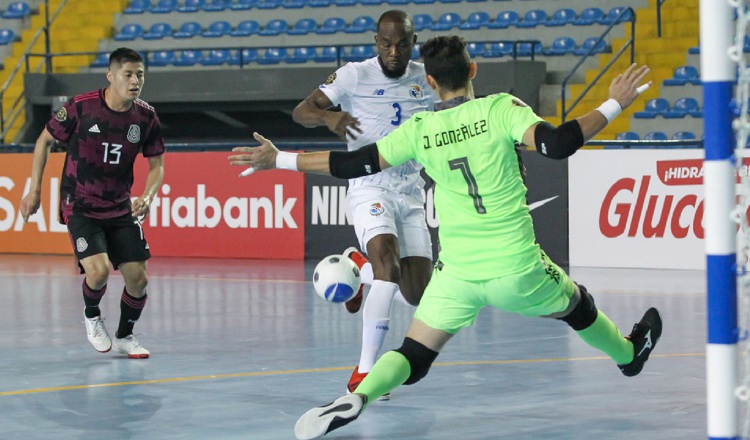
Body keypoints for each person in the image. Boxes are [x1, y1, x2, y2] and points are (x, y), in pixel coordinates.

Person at [229, 36, 661, 440]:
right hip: (517, 267)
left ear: (430, 82)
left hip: (456, 275)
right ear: (473, 70)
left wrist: (279, 159)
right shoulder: (500, 109)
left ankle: (359, 395)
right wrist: (612, 103)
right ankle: (628, 355)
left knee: (415, 351)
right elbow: (557, 144)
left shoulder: (421, 130)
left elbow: (353, 164)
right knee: (577, 306)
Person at [291, 10, 439, 396]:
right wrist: (329, 119)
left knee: (417, 294)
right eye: (386, 44)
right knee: (388, 268)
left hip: (411, 193)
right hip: (368, 186)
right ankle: (365, 370)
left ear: (413, 41)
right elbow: (301, 111)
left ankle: (359, 269)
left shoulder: (427, 77)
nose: (393, 52)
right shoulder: (354, 74)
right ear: (376, 42)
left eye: (402, 44)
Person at [20, 47, 165, 359]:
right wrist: (34, 191)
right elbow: (44, 140)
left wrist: (149, 195)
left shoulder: (146, 117)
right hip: (80, 202)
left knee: (138, 278)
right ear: (111, 76)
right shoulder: (81, 108)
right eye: (128, 74)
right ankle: (91, 315)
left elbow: (157, 166)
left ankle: (125, 336)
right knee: (97, 271)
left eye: (139, 74)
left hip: (120, 205)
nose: (135, 80)